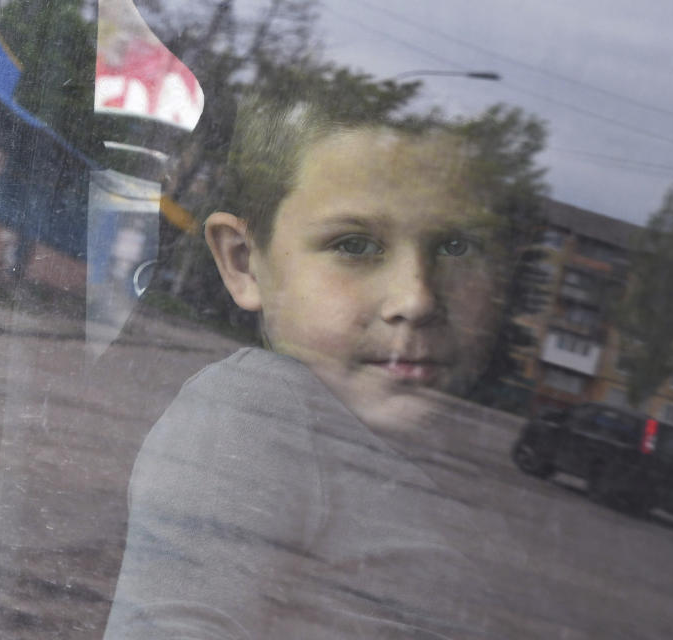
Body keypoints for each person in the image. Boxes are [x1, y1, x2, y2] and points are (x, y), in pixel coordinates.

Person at [102, 97, 522, 639]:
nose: (417, 298)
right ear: (244, 262)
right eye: (355, 244)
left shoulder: (394, 445)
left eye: (455, 246)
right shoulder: (253, 419)